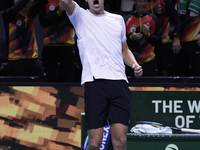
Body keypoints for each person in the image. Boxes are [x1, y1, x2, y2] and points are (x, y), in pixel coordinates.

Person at [60, 0, 143, 150]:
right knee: (94, 142)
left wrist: (134, 64)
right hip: (95, 83)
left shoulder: (117, 20)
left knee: (120, 141)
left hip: (119, 83)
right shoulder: (80, 16)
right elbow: (65, 1)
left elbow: (124, 50)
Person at [2, 0, 47, 79]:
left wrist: (32, 2)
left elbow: (43, 2)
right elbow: (20, 4)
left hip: (32, 60)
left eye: (28, 6)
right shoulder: (8, 15)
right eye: (24, 6)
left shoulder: (30, 13)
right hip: (15, 61)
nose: (26, 9)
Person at [39, 0, 76, 82]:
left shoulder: (71, 2)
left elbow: (75, 21)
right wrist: (58, 13)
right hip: (50, 46)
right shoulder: (45, 2)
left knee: (68, 79)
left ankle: (67, 95)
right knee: (50, 78)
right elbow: (42, 21)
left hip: (67, 45)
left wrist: (67, 10)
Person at [124, 0, 162, 76]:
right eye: (140, 1)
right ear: (135, 2)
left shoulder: (153, 19)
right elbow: (121, 44)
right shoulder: (126, 19)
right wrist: (131, 38)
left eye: (145, 1)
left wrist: (148, 35)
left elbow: (159, 42)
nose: (143, 4)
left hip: (149, 62)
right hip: (132, 64)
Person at [146, 0, 182, 76]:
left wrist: (176, 37)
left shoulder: (166, 2)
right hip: (147, 43)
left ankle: (166, 87)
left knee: (164, 69)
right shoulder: (142, 3)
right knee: (149, 70)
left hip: (163, 42)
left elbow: (176, 19)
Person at [170, 0, 200, 76]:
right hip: (179, 43)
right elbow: (174, 20)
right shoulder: (178, 2)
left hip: (195, 42)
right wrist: (175, 38)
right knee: (179, 73)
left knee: (196, 73)